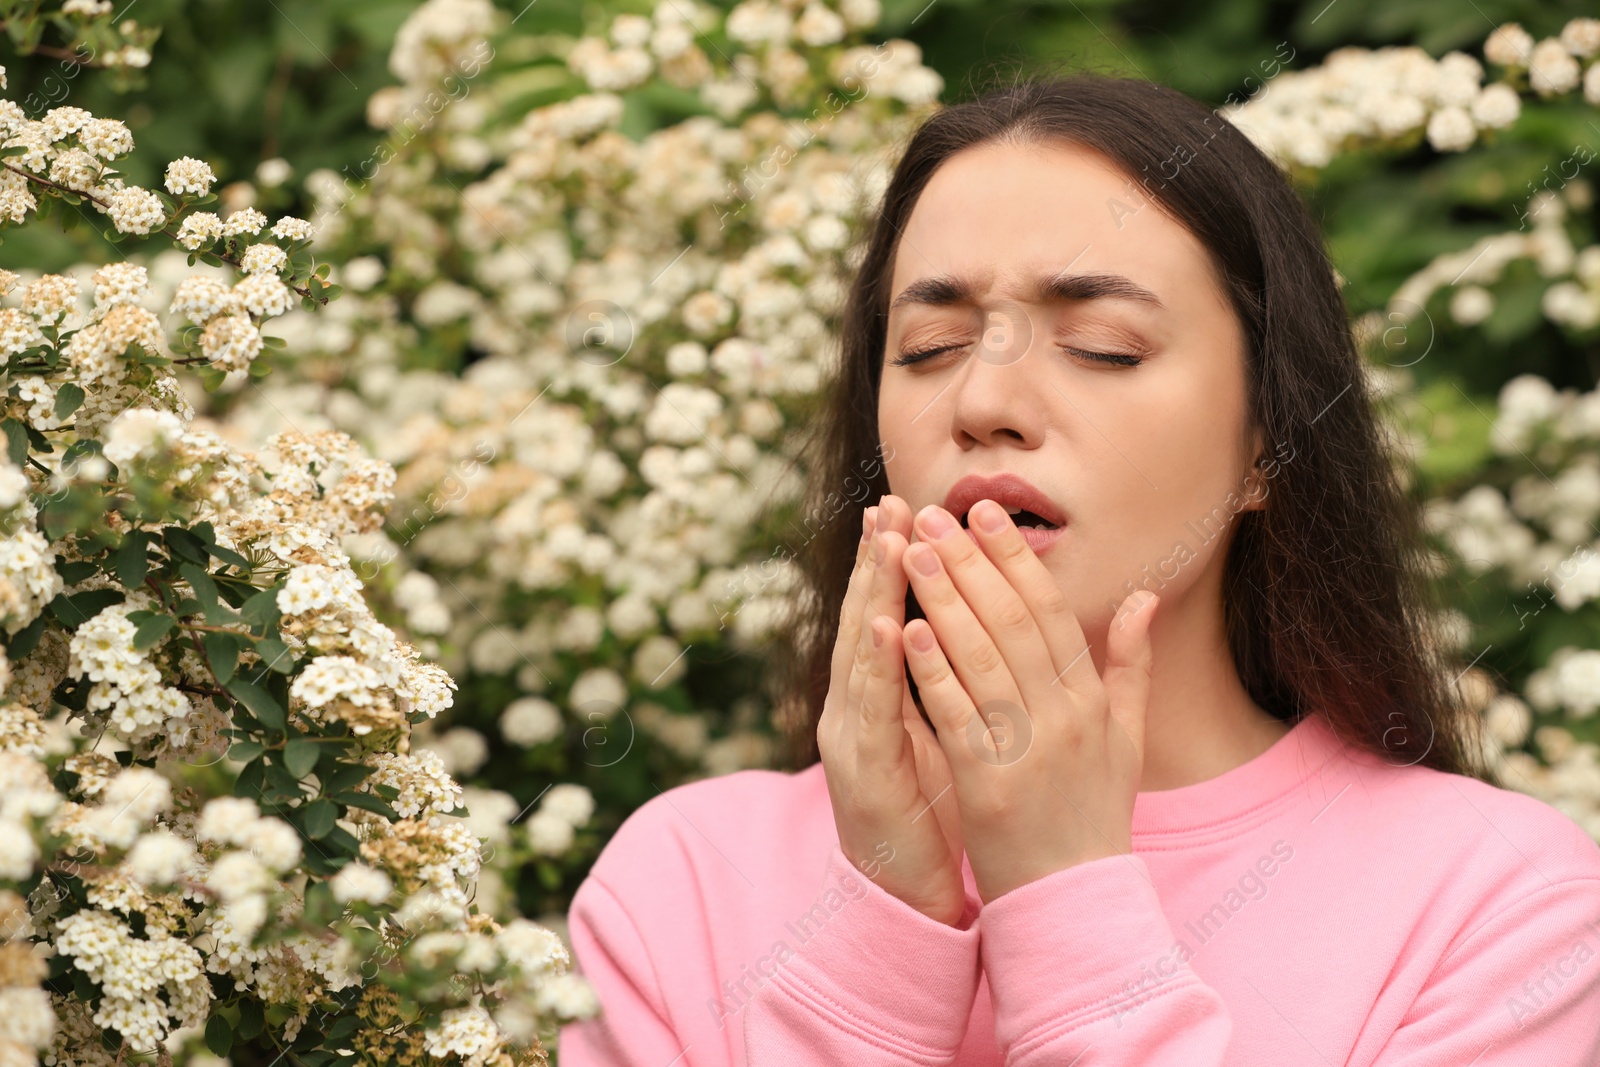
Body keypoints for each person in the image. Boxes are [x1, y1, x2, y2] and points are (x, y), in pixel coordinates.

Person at [554, 72, 1600, 1065]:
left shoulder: (1500, 906)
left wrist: (1063, 896)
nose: (980, 403)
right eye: (927, 347)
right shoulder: (689, 878)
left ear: (1267, 443)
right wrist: (881, 931)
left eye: (1100, 344)